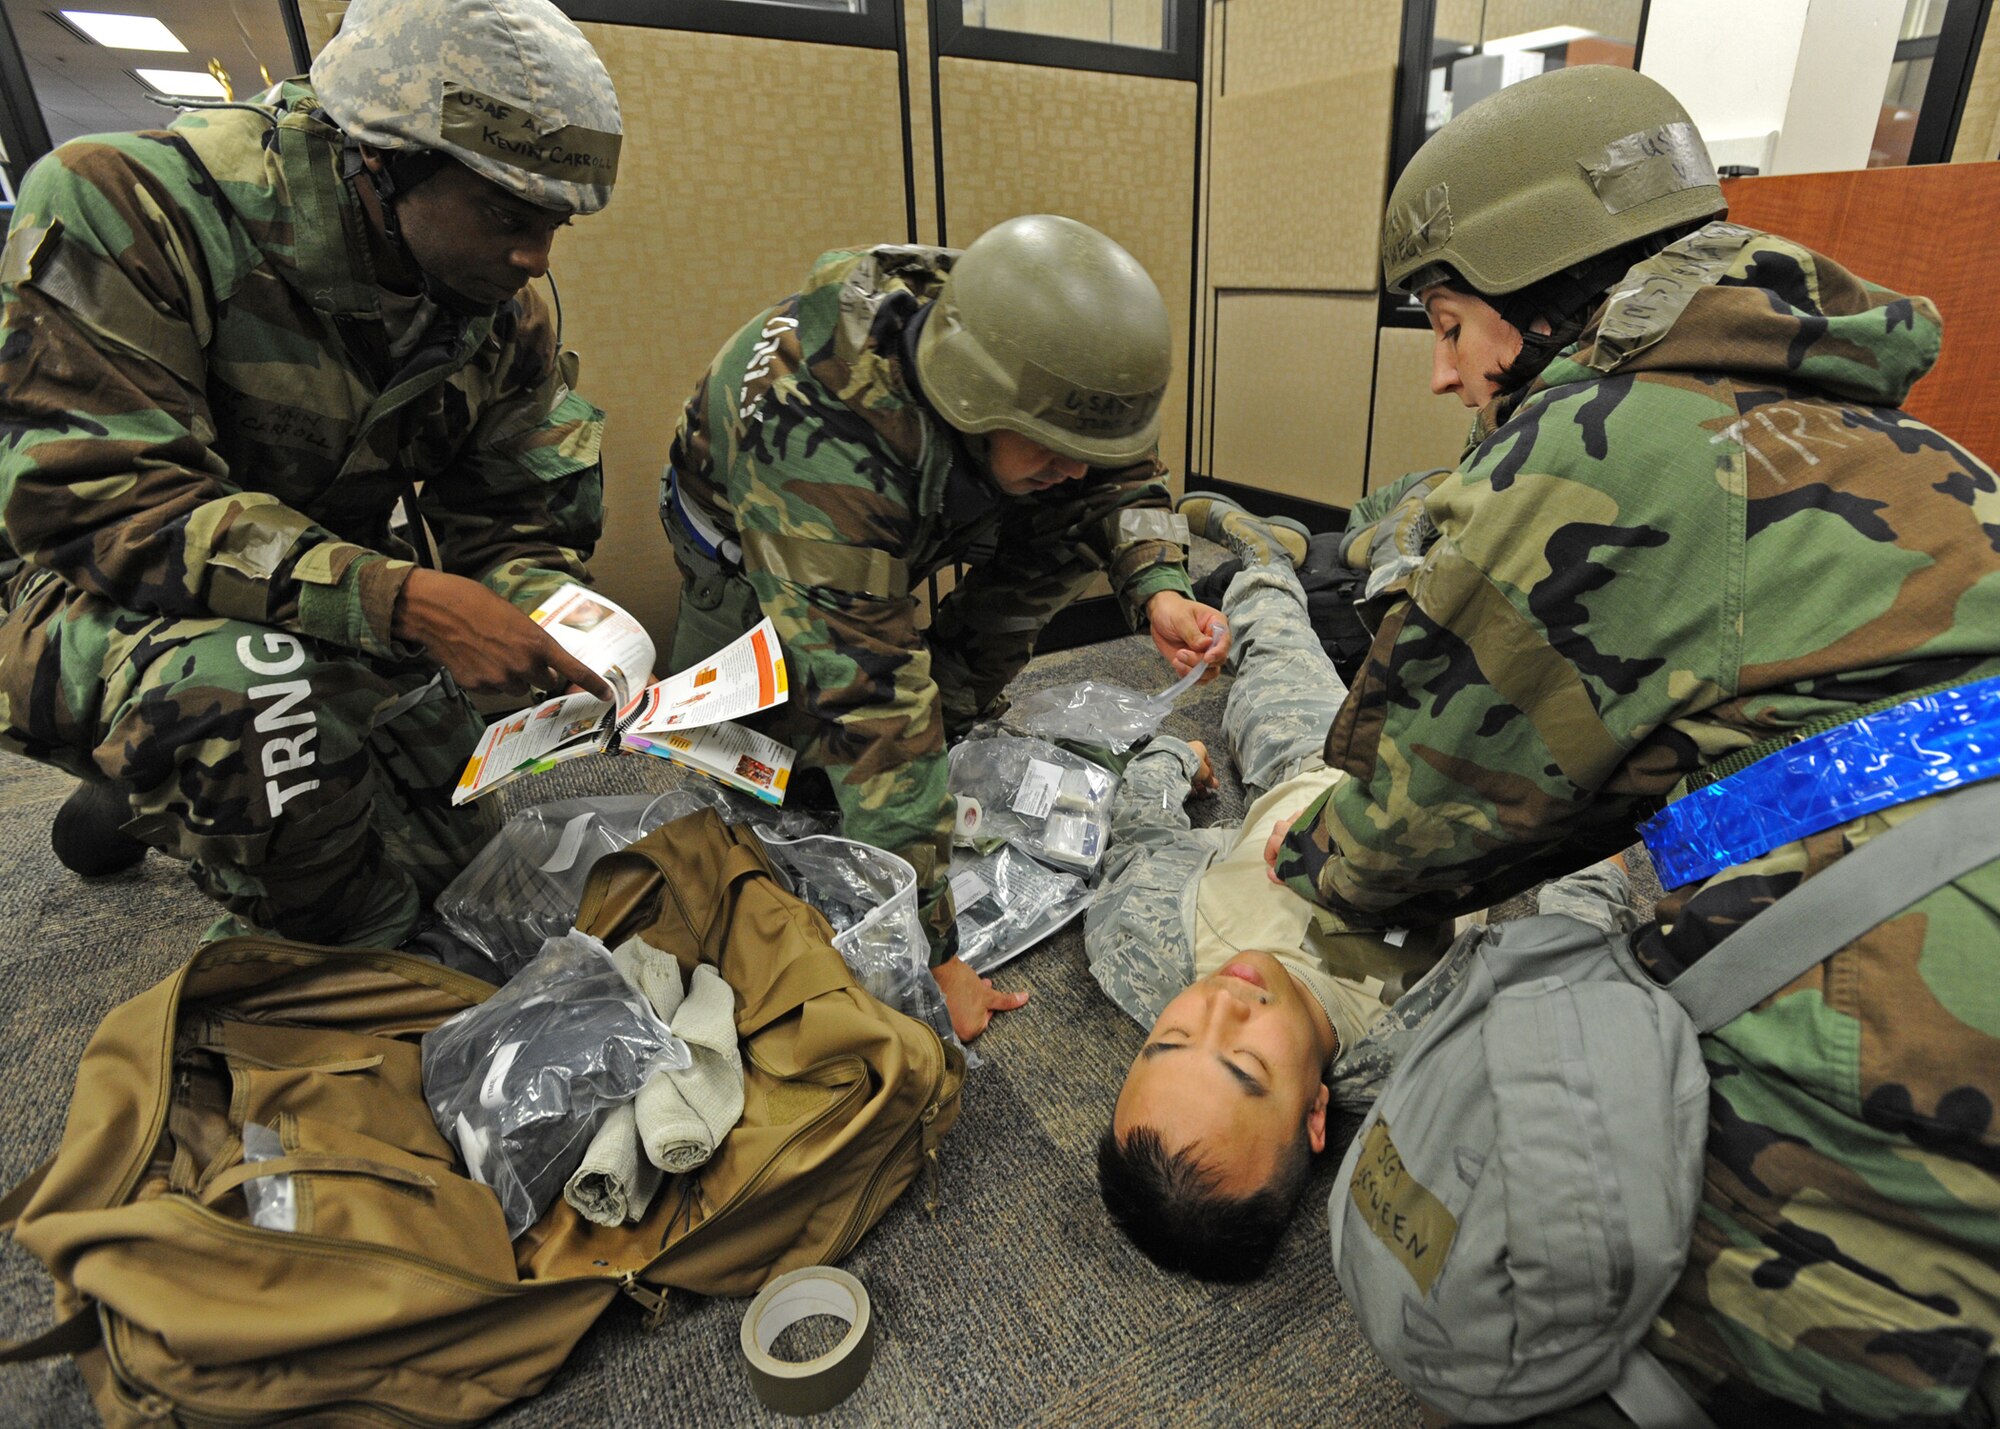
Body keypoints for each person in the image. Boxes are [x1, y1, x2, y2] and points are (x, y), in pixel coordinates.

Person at [1267, 65, 2000, 1423]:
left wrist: (1295, 831)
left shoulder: (1592, 451)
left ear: (1548, 296)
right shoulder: (1910, 448)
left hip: (1919, 1007)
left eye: (1447, 321)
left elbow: (1390, 849)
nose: (1440, 371)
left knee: (1564, 1308)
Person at [0, 0, 622, 948]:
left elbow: (513, 516)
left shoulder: (494, 306)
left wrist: (550, 611)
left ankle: (135, 785)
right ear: (378, 159)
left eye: (552, 224)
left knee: (458, 867)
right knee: (274, 750)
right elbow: (106, 501)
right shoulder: (126, 203)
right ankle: (190, 790)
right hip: (71, 589)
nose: (532, 257)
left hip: (321, 590)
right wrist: (404, 601)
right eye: (504, 212)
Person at [661, 214, 1227, 1039]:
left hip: (921, 480)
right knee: (760, 774)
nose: (1074, 467)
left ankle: (951, 707)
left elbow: (1121, 475)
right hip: (746, 542)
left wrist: (1159, 590)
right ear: (974, 398)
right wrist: (935, 955)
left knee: (1057, 536)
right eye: (1051, 446)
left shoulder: (1035, 352)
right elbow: (878, 704)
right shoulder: (823, 441)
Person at [1089, 496, 1637, 1280]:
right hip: (1443, 798)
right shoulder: (1421, 1050)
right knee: (1454, 648)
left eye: (1169, 1039)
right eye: (1245, 1064)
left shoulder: (1139, 947)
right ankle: (1406, 541)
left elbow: (1137, 835)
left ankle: (1265, 555)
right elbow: (1564, 968)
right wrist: (1599, 868)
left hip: (1303, 765)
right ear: (1316, 1114)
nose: (1220, 1007)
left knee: (1268, 654)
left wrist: (1175, 759)